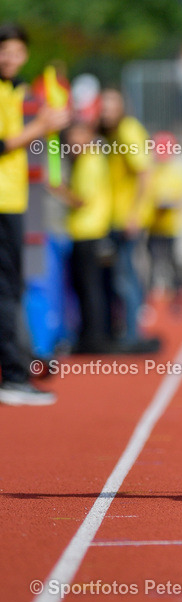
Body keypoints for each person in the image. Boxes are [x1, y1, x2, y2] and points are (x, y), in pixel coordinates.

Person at [0, 23, 69, 405]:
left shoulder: (17, 89)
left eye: (16, 51)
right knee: (7, 291)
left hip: (14, 200)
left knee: (12, 288)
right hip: (4, 202)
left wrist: (46, 117)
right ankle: (12, 376)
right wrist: (40, 126)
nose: (10, 57)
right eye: (3, 50)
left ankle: (16, 368)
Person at [98, 88, 159, 352]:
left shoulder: (127, 130)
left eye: (111, 106)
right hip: (117, 216)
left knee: (126, 277)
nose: (106, 111)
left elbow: (144, 173)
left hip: (126, 218)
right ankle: (128, 330)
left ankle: (132, 334)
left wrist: (134, 214)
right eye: (103, 106)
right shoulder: (114, 132)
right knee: (123, 275)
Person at [51, 121, 112, 353]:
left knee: (89, 288)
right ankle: (90, 335)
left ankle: (92, 338)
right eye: (70, 136)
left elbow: (81, 200)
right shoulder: (88, 159)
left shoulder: (89, 161)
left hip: (88, 231)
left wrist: (58, 189)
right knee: (86, 287)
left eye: (78, 134)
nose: (72, 141)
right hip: (86, 231)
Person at [147, 132, 182, 304]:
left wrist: (171, 203)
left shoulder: (178, 172)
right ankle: (152, 299)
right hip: (154, 226)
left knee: (174, 263)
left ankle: (179, 295)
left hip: (172, 227)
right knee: (153, 264)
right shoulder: (151, 171)